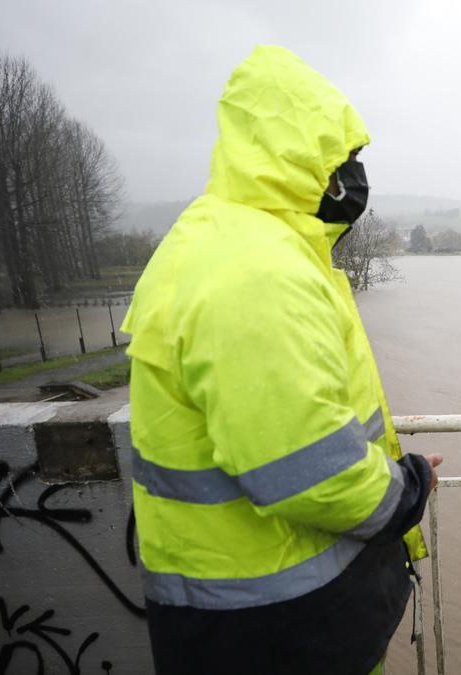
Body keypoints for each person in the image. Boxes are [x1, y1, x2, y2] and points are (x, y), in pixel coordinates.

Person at [122, 45, 442, 675]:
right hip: (276, 631)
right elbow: (307, 471)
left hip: (251, 615)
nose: (353, 175)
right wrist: (409, 489)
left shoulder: (225, 241)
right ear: (294, 157)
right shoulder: (254, 272)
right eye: (341, 157)